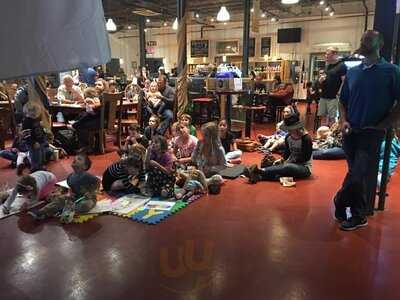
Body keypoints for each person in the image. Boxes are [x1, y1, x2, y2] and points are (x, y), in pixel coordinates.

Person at [334, 30, 400, 231]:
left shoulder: (392, 71)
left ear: (380, 44)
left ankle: (340, 201)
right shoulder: (353, 72)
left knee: (357, 174)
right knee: (356, 174)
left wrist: (385, 124)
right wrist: (343, 121)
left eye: (369, 39)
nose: (365, 42)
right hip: (351, 131)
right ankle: (359, 214)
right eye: (363, 39)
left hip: (372, 132)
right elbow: (342, 100)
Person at [28, 153, 99, 222]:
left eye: (79, 159)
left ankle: (65, 210)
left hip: (88, 199)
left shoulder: (87, 176)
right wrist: (69, 193)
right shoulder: (70, 177)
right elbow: (71, 188)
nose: (75, 159)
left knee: (86, 205)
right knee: (60, 199)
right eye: (75, 158)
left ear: (85, 167)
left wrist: (92, 192)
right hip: (75, 198)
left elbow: (97, 182)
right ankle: (41, 213)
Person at [244, 113, 313, 184]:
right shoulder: (288, 137)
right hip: (290, 163)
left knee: (287, 167)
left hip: (304, 167)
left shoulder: (306, 139)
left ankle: (260, 171)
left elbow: (306, 158)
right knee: (278, 170)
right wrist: (281, 160)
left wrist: (289, 162)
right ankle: (258, 177)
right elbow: (287, 153)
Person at [318, 47, 347, 126]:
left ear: (335, 54)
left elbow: (344, 81)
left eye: (328, 54)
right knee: (323, 118)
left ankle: (331, 137)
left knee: (332, 118)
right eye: (325, 54)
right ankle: (322, 135)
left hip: (333, 97)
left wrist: (339, 92)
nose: (325, 56)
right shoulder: (327, 66)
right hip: (323, 96)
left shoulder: (342, 66)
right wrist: (320, 80)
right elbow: (323, 79)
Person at [21, 102, 48, 171]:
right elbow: (26, 135)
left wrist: (44, 135)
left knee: (42, 155)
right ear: (29, 112)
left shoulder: (36, 119)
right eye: (34, 113)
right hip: (33, 143)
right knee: (35, 157)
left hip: (40, 141)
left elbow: (40, 129)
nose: (36, 115)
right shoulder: (26, 121)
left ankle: (41, 167)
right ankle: (35, 169)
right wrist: (33, 142)